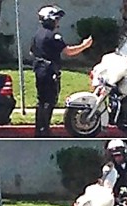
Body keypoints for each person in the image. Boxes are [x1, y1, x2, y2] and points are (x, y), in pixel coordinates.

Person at [30, 5, 93, 137]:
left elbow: (32, 52)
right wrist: (84, 46)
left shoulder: (38, 34)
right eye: (56, 19)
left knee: (41, 100)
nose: (58, 22)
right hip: (49, 71)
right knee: (49, 100)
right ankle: (45, 130)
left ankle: (39, 129)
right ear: (50, 20)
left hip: (39, 69)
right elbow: (68, 51)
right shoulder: (53, 36)